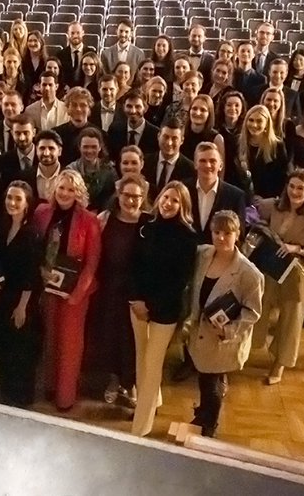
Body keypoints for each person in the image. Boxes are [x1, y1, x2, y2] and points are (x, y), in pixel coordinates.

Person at [184, 211, 263, 438]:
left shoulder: (249, 273)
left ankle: (209, 425)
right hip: (200, 332)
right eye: (216, 232)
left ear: (237, 234)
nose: (221, 238)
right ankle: (203, 414)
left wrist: (228, 330)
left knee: (213, 383)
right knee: (204, 377)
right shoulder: (203, 255)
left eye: (227, 233)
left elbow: (253, 312)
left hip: (222, 339)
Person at [128, 181, 199, 436]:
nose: (168, 204)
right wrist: (136, 300)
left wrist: (151, 306)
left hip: (165, 310)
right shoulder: (145, 225)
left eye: (175, 200)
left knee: (152, 365)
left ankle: (140, 428)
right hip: (137, 305)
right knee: (141, 359)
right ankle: (152, 401)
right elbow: (133, 264)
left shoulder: (188, 237)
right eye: (166, 198)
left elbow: (179, 281)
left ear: (183, 206)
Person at [32, 169, 102, 412]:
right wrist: (40, 272)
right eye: (61, 188)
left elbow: (92, 262)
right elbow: (35, 248)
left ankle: (65, 397)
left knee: (70, 345)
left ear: (78, 193)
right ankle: (50, 386)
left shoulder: (89, 220)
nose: (65, 193)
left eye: (71, 189)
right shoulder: (41, 213)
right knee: (50, 338)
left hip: (75, 293)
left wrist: (77, 294)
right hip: (47, 288)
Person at [252, 169, 304, 385]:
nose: (294, 192)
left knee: (290, 323)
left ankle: (280, 364)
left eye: (300, 188)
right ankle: (251, 348)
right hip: (270, 270)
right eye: (291, 186)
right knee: (259, 310)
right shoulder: (273, 207)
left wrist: (298, 249)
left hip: (296, 275)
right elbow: (252, 211)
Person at [90, 173, 148, 412]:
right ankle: (114, 379)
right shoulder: (104, 219)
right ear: (118, 195)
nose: (131, 200)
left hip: (136, 292)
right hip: (108, 288)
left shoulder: (149, 223)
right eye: (126, 195)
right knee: (111, 337)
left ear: (143, 198)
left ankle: (130, 383)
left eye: (136, 196)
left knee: (132, 341)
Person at [0, 180, 40, 407]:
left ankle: (22, 400)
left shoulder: (32, 233)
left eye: (18, 199)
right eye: (9, 197)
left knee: (21, 351)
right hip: (3, 297)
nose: (12, 202)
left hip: (22, 300)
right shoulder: (2, 227)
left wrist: (22, 307)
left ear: (27, 203)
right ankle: (7, 396)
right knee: (4, 347)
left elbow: (31, 274)